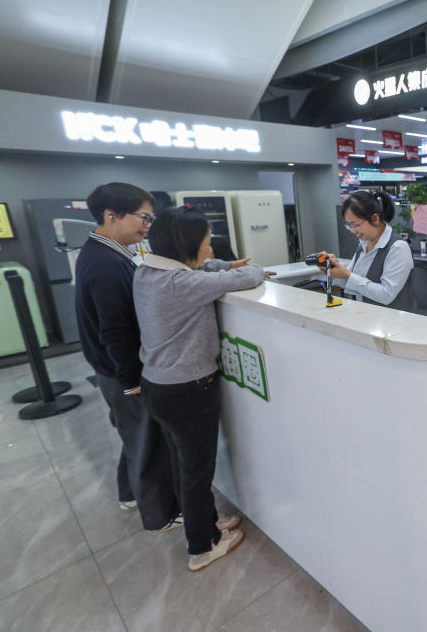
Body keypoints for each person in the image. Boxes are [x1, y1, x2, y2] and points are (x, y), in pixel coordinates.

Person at [133, 206, 264, 571]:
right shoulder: (182, 285)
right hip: (188, 391)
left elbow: (201, 269)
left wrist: (221, 264)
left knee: (184, 466)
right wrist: (235, 268)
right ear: (184, 245)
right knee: (197, 472)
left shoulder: (146, 271)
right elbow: (252, 275)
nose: (210, 249)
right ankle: (202, 547)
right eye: (206, 242)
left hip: (158, 385)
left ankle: (207, 523)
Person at [74, 182, 181, 533]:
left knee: (133, 434)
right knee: (147, 442)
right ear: (111, 215)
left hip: (113, 369)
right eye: (144, 217)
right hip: (120, 370)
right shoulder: (106, 262)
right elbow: (115, 329)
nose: (148, 226)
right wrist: (131, 380)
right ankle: (161, 515)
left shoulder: (105, 251)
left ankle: (129, 494)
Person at [320, 190, 416, 311]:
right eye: (349, 225)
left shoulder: (398, 248)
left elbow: (386, 295)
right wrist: (333, 269)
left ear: (375, 218)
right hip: (366, 315)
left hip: (393, 319)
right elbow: (350, 282)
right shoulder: (364, 244)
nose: (352, 230)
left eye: (355, 225)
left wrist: (348, 275)